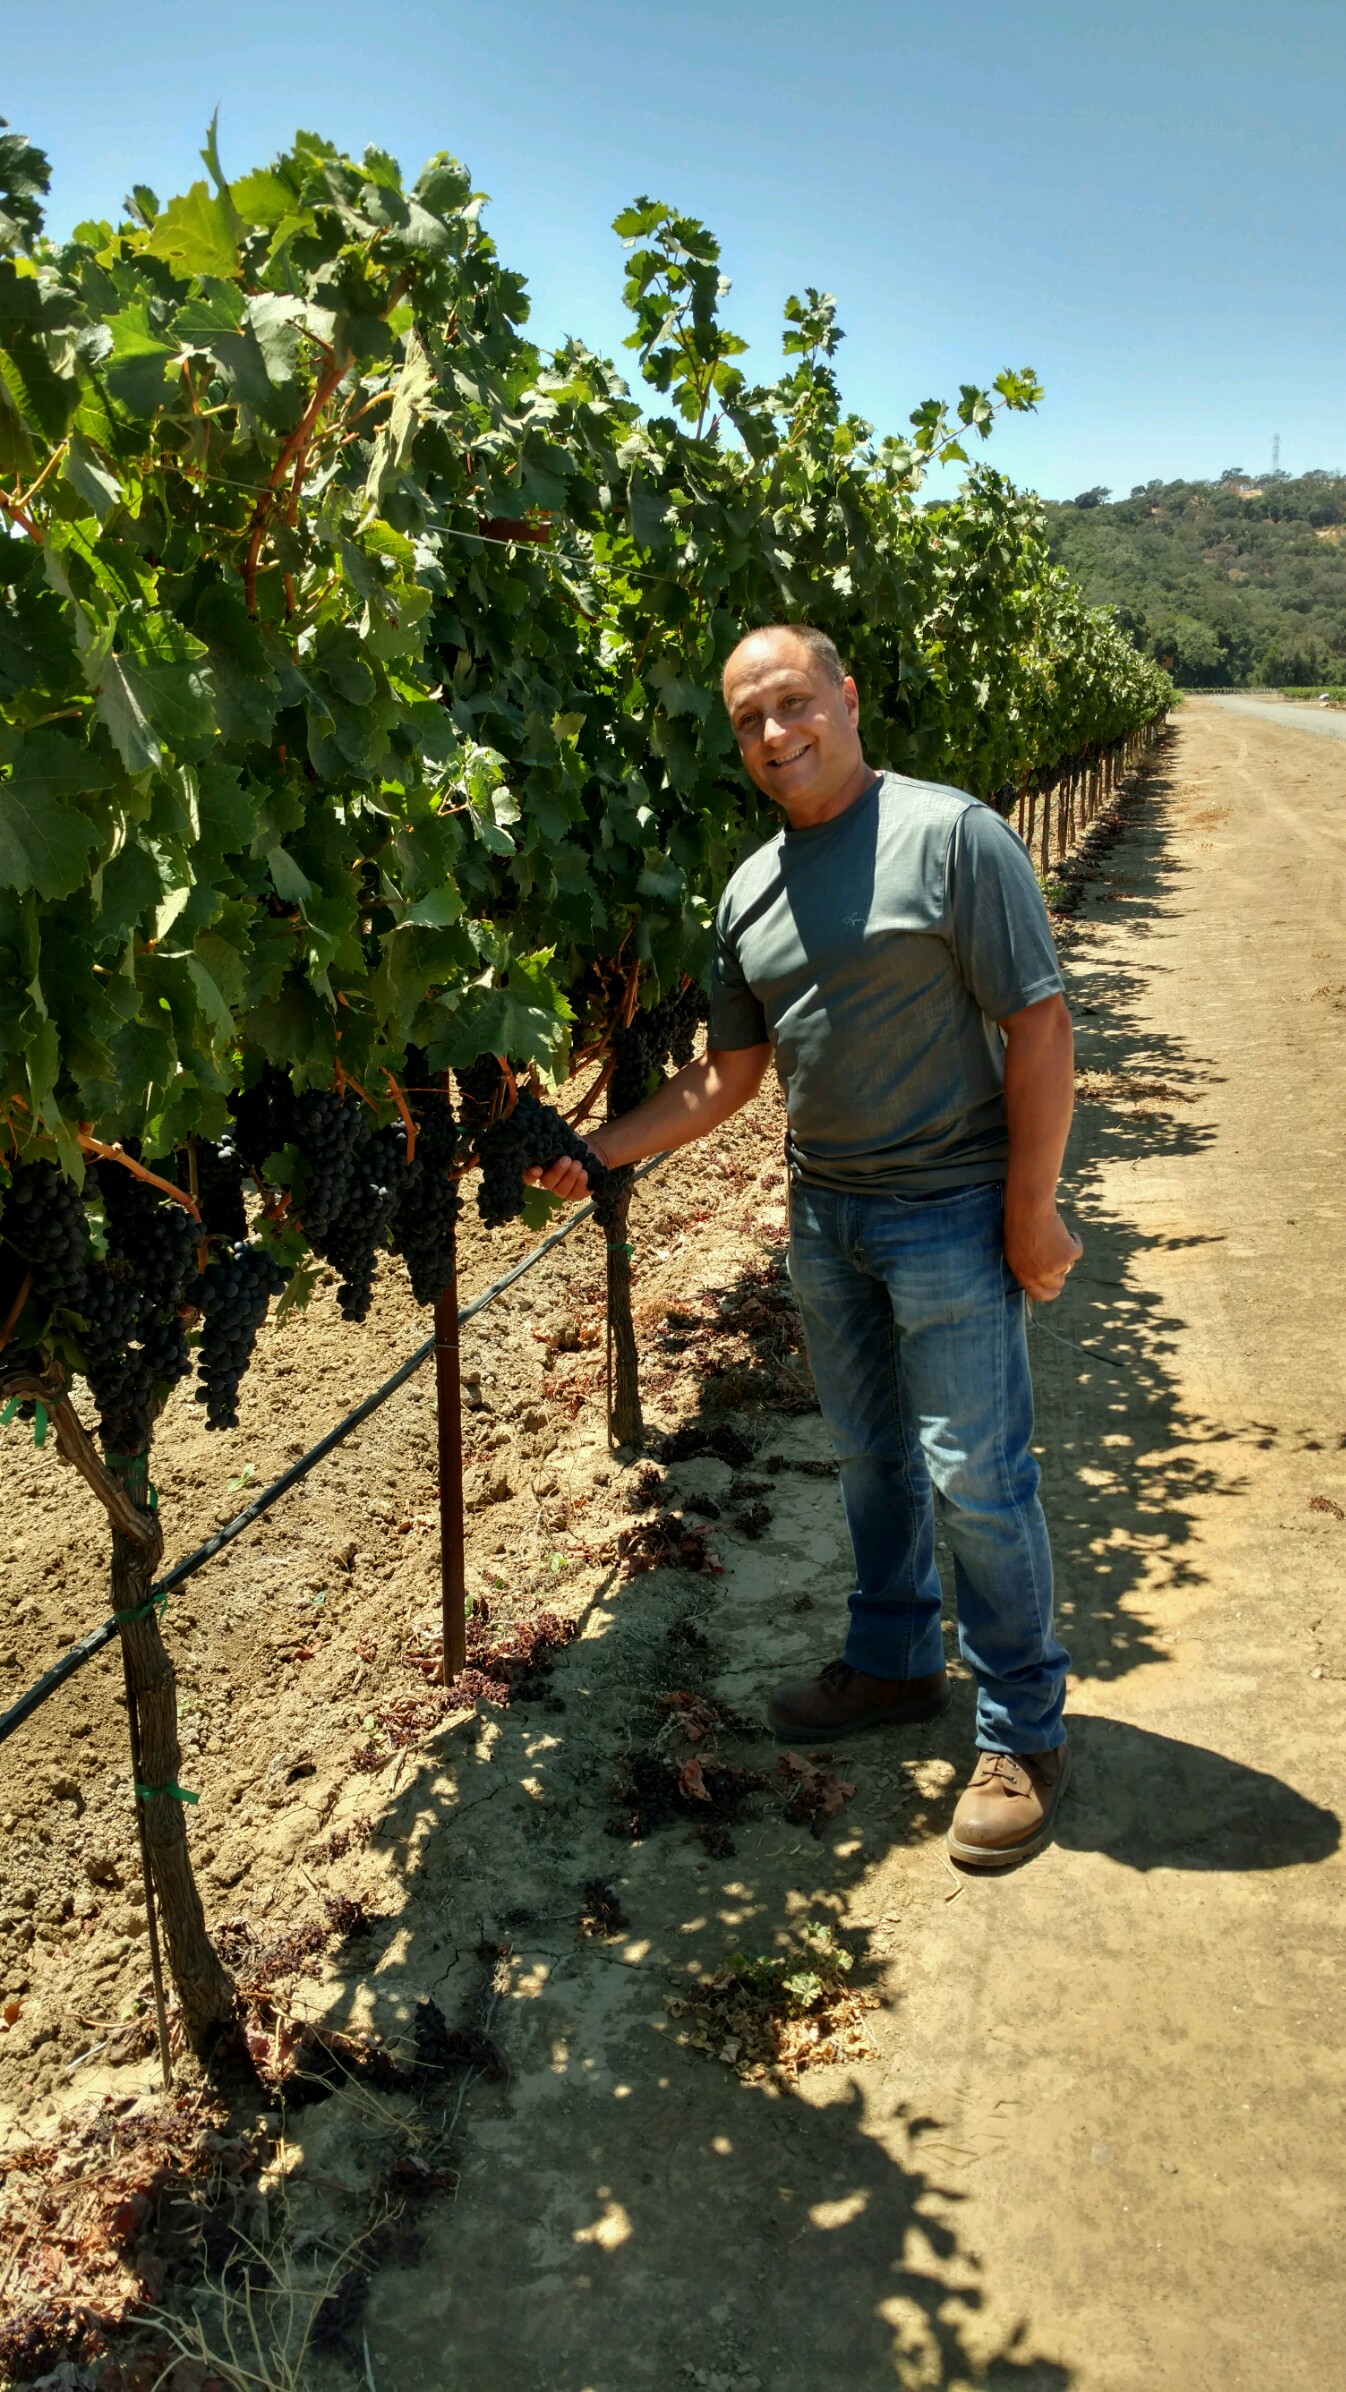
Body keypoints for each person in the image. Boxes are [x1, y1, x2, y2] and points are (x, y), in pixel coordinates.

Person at [531, 625, 1081, 1868]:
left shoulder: (951, 836)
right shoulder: (748, 890)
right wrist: (599, 1149)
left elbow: (1039, 1025)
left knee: (976, 1478)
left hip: (949, 1206)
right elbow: (729, 1076)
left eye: (793, 702)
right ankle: (891, 1665)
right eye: (748, 721)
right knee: (867, 1457)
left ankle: (1023, 1729)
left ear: (844, 695)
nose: (775, 733)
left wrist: (1028, 1205)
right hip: (824, 1213)